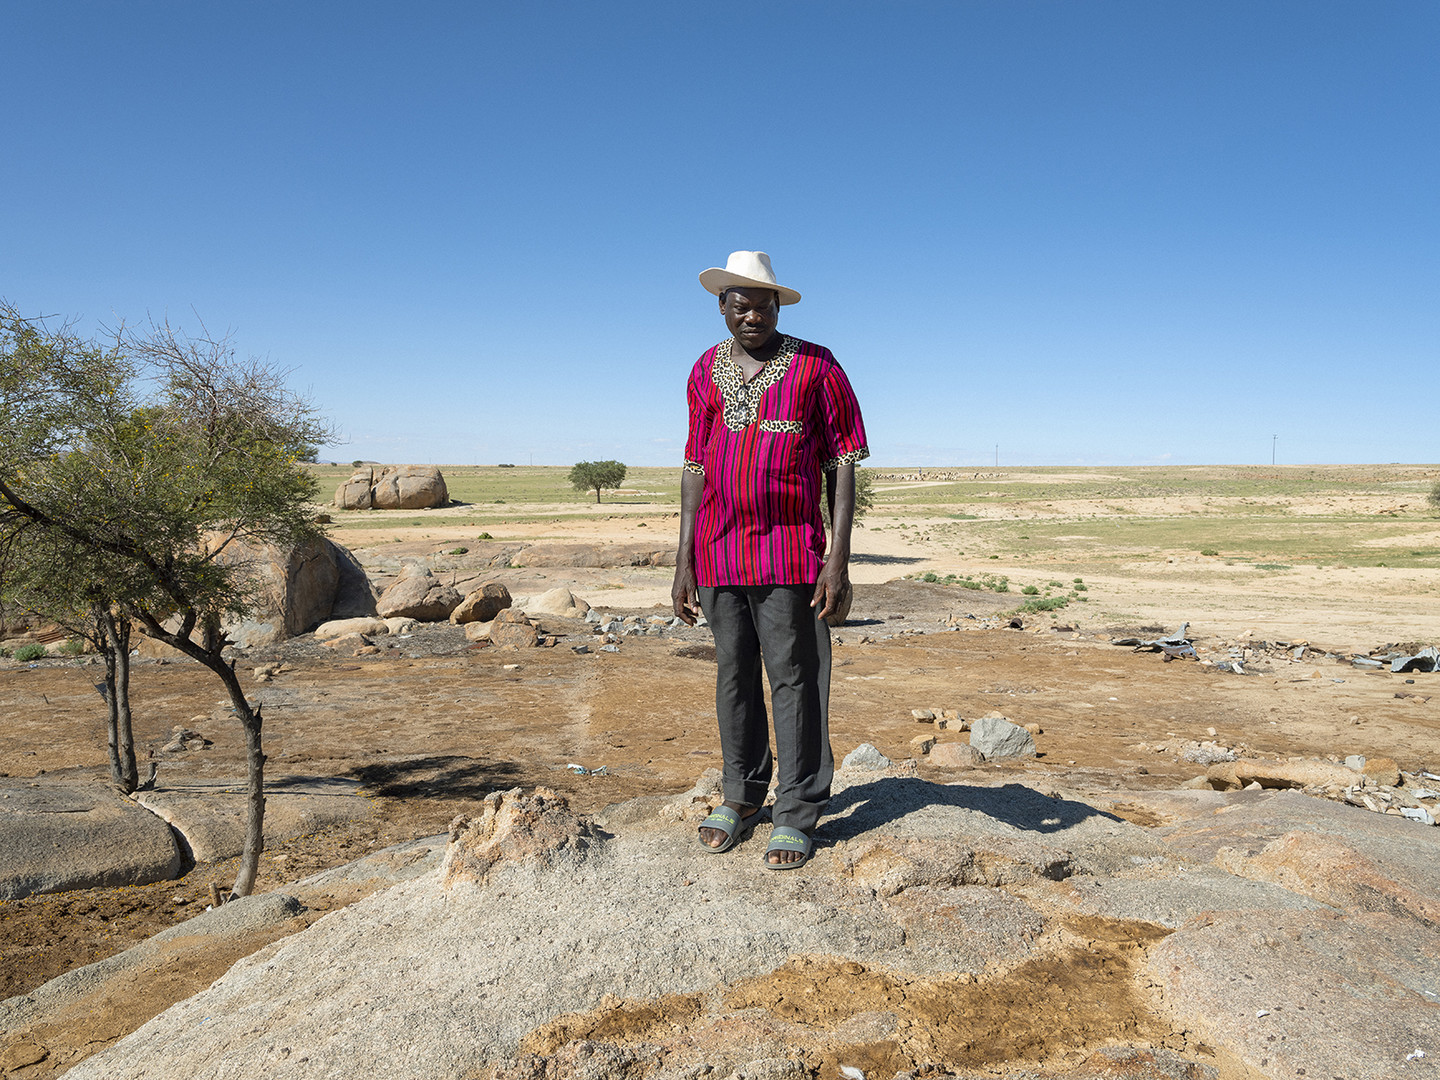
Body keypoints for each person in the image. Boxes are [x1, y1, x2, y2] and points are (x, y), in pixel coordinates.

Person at [672, 251, 868, 869]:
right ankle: (742, 794)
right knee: (734, 678)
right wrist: (683, 561)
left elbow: (843, 461)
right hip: (717, 553)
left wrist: (837, 560)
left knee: (794, 679)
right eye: (739, 303)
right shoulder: (705, 370)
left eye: (762, 303)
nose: (751, 313)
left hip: (789, 551)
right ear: (722, 308)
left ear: (778, 307)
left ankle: (798, 809)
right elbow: (695, 466)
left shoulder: (816, 365)